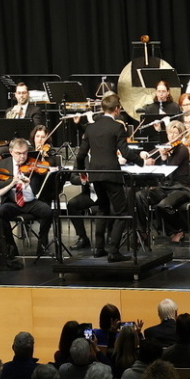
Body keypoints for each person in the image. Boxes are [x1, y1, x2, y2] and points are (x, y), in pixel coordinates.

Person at [76, 94, 135, 263]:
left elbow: (81, 155)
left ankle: (98, 248)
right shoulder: (117, 127)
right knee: (121, 212)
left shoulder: (90, 128)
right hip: (112, 174)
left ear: (102, 109)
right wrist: (141, 161)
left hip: (95, 174)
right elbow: (125, 153)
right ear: (117, 109)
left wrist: (82, 171)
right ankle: (114, 251)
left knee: (102, 208)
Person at [134, 121, 190, 244]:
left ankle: (178, 230)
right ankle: (142, 231)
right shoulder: (165, 147)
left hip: (181, 188)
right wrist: (144, 155)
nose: (172, 136)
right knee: (140, 195)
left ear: (181, 135)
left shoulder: (182, 150)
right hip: (165, 187)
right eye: (170, 133)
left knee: (163, 205)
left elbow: (168, 170)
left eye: (175, 133)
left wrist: (164, 158)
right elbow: (149, 155)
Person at [0, 137, 54, 257]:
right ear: (11, 152)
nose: (22, 157)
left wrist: (49, 172)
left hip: (31, 201)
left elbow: (46, 185)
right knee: (0, 213)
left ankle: (42, 245)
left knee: (48, 211)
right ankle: (11, 246)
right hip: (12, 202)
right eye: (18, 153)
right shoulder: (2, 165)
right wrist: (13, 181)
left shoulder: (33, 163)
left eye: (25, 153)